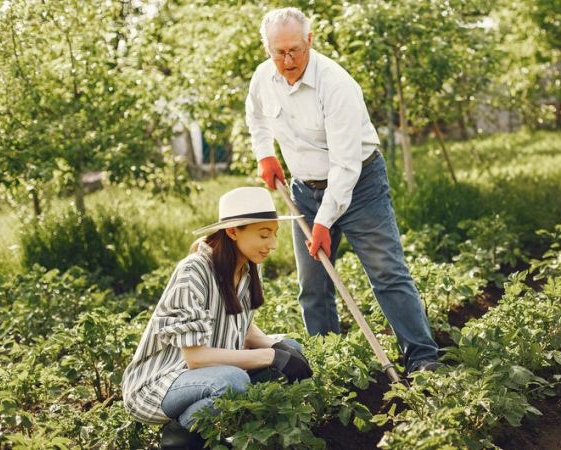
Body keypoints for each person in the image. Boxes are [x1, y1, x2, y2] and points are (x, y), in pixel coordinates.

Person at [245, 7, 441, 374]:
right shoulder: (263, 78)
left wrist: (324, 222)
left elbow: (346, 165)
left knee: (386, 272)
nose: (287, 61)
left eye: (295, 51)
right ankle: (330, 366)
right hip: (304, 190)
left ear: (310, 41)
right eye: (278, 52)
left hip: (359, 184)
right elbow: (255, 116)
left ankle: (422, 358)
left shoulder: (335, 85)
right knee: (313, 285)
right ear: (267, 48)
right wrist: (265, 155)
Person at [121, 187, 312, 448]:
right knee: (234, 380)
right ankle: (179, 437)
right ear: (233, 232)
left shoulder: (248, 268)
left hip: (207, 375)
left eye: (275, 235)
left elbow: (241, 326)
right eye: (264, 234)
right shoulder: (194, 271)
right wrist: (269, 356)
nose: (273, 244)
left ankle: (231, 433)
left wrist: (278, 348)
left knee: (292, 349)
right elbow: (195, 358)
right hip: (162, 382)